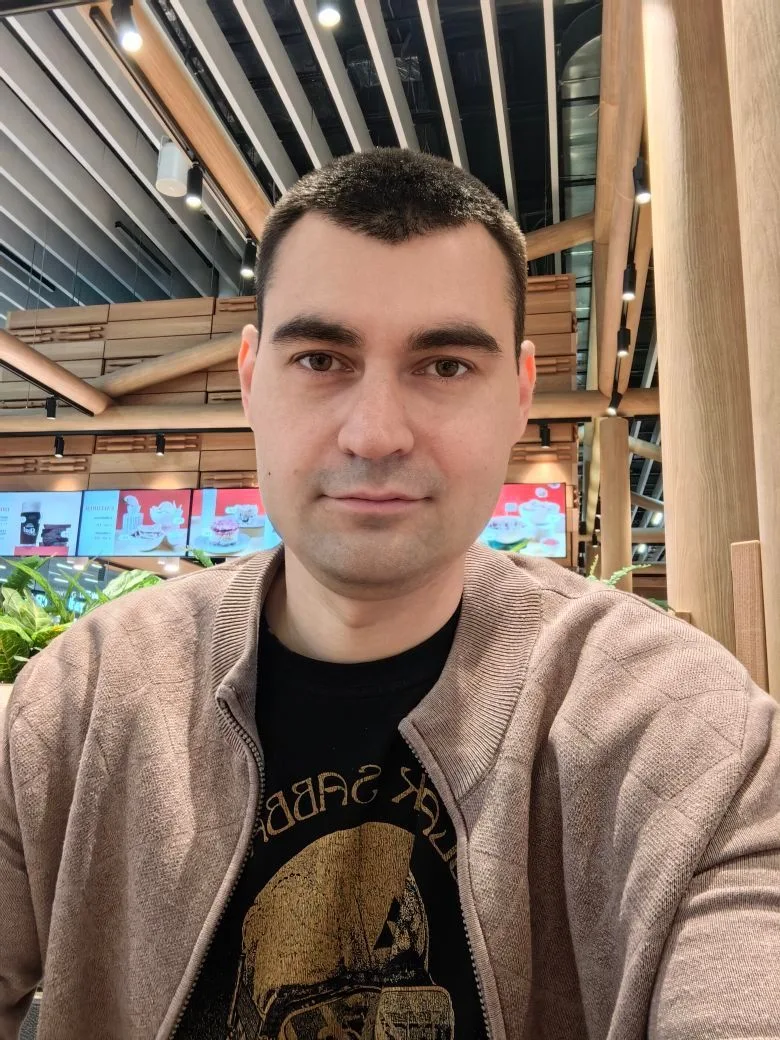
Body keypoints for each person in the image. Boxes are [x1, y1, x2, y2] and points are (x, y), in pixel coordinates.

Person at [1, 148, 778, 1040]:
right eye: (321, 358)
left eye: (444, 366)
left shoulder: (676, 727)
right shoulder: (86, 700)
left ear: (519, 394)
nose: (375, 434)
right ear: (251, 380)